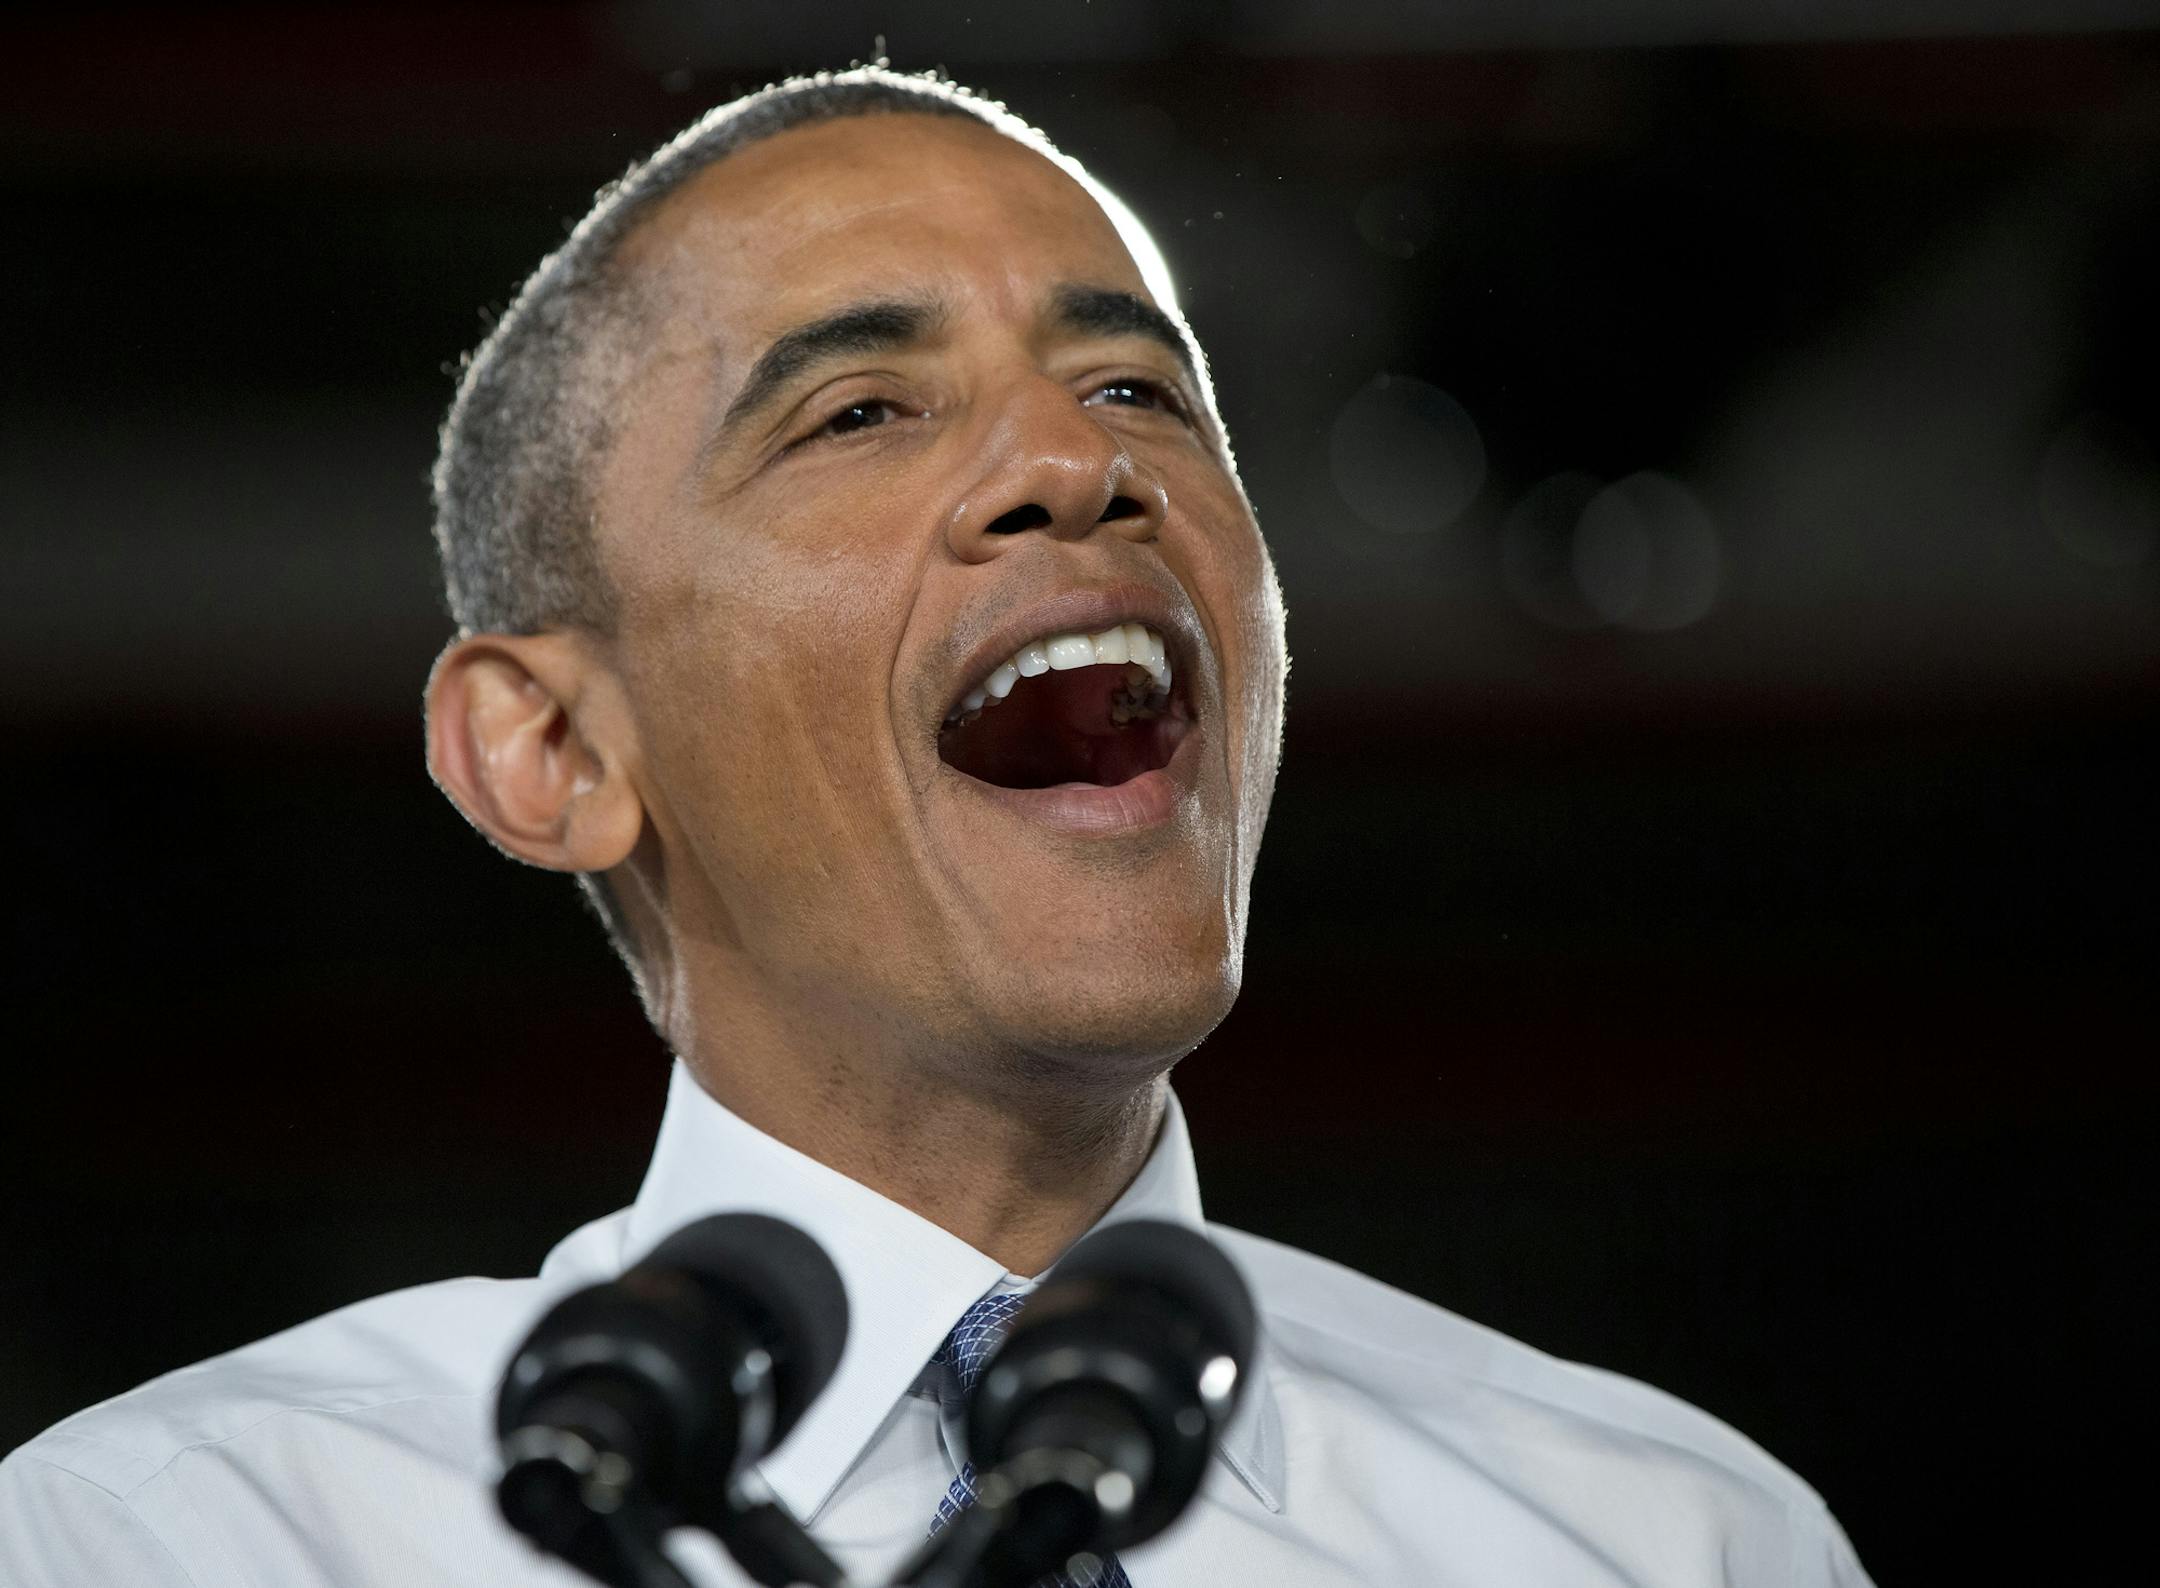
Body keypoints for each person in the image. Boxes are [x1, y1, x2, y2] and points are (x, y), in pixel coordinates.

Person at [0, 66, 1873, 1587]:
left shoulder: (1667, 1539)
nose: (1081, 465)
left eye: (1139, 386)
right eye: (861, 411)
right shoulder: (187, 1538)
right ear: (551, 748)